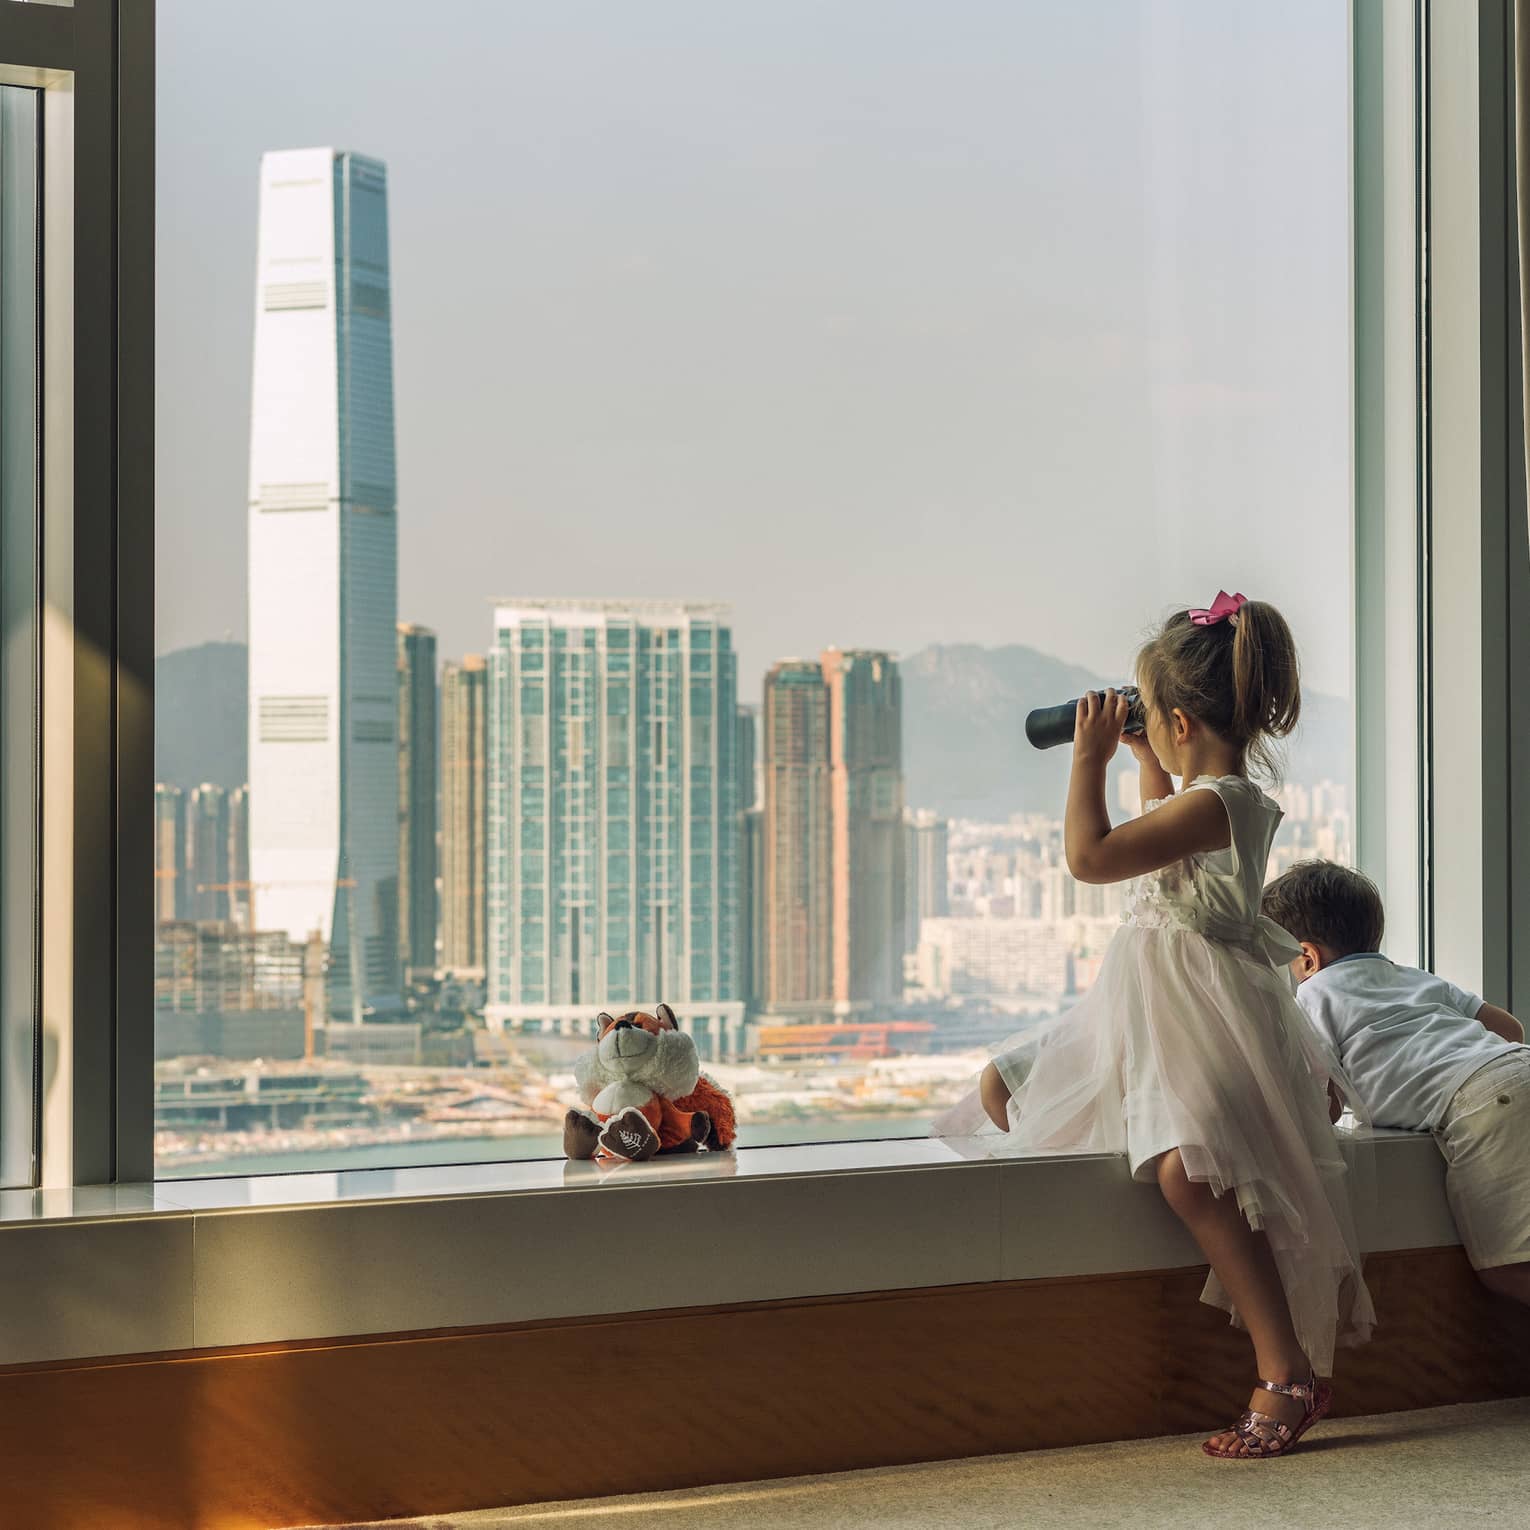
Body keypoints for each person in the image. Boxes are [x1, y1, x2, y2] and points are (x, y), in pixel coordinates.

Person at [933, 591, 1374, 1460]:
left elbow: (1092, 857)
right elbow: (1167, 835)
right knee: (1004, 1088)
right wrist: (1143, 758)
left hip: (1199, 1016)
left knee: (1186, 1171)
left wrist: (1087, 758)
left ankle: (1284, 1371)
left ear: (1177, 717)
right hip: (1143, 1006)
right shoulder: (1204, 797)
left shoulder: (1223, 804)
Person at [1262, 859, 1530, 1306]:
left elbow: (1322, 1104)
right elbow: (1511, 1030)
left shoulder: (1313, 996)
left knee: (1509, 1269)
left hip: (1488, 1104)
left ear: (1307, 957)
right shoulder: (1414, 977)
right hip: (1516, 1067)